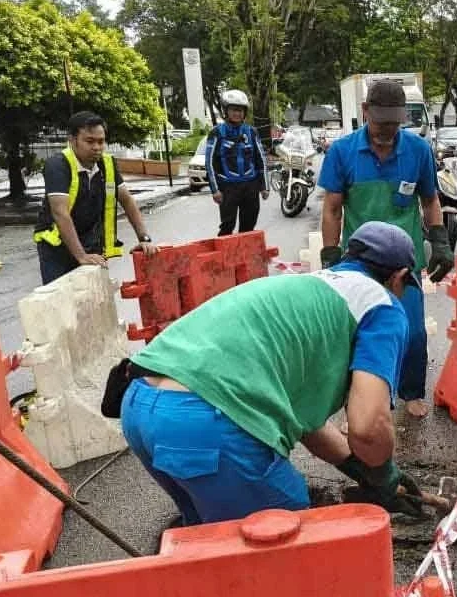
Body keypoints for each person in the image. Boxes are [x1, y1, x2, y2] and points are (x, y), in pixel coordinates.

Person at [120, 221, 425, 526]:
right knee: (285, 539)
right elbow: (369, 427)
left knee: (209, 541)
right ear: (397, 277)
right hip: (204, 422)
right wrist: (383, 473)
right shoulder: (381, 306)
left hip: (140, 406)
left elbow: (306, 423)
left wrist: (361, 470)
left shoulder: (309, 289)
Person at [318, 80, 454, 419]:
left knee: (411, 328)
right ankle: (356, 402)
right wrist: (330, 255)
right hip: (359, 264)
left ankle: (411, 390)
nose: (387, 132)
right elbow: (332, 208)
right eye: (381, 124)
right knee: (357, 332)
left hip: (403, 262)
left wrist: (439, 241)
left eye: (395, 125)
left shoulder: (418, 150)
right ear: (365, 113)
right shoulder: (342, 152)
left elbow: (430, 199)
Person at [34, 111, 159, 285]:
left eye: (101, 141)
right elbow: (59, 212)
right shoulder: (57, 165)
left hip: (91, 242)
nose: (97, 147)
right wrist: (81, 256)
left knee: (94, 299)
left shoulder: (107, 164)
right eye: (89, 141)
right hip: (57, 249)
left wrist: (144, 239)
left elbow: (127, 200)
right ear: (72, 140)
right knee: (64, 302)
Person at [204, 89, 270, 235]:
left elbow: (261, 159)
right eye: (233, 109)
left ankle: (243, 256)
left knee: (248, 226)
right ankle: (225, 257)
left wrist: (265, 186)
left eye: (240, 110)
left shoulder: (251, 132)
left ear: (245, 112)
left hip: (250, 186)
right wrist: (215, 190)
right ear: (226, 111)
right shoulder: (216, 132)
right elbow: (209, 163)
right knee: (227, 226)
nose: (237, 113)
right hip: (228, 188)